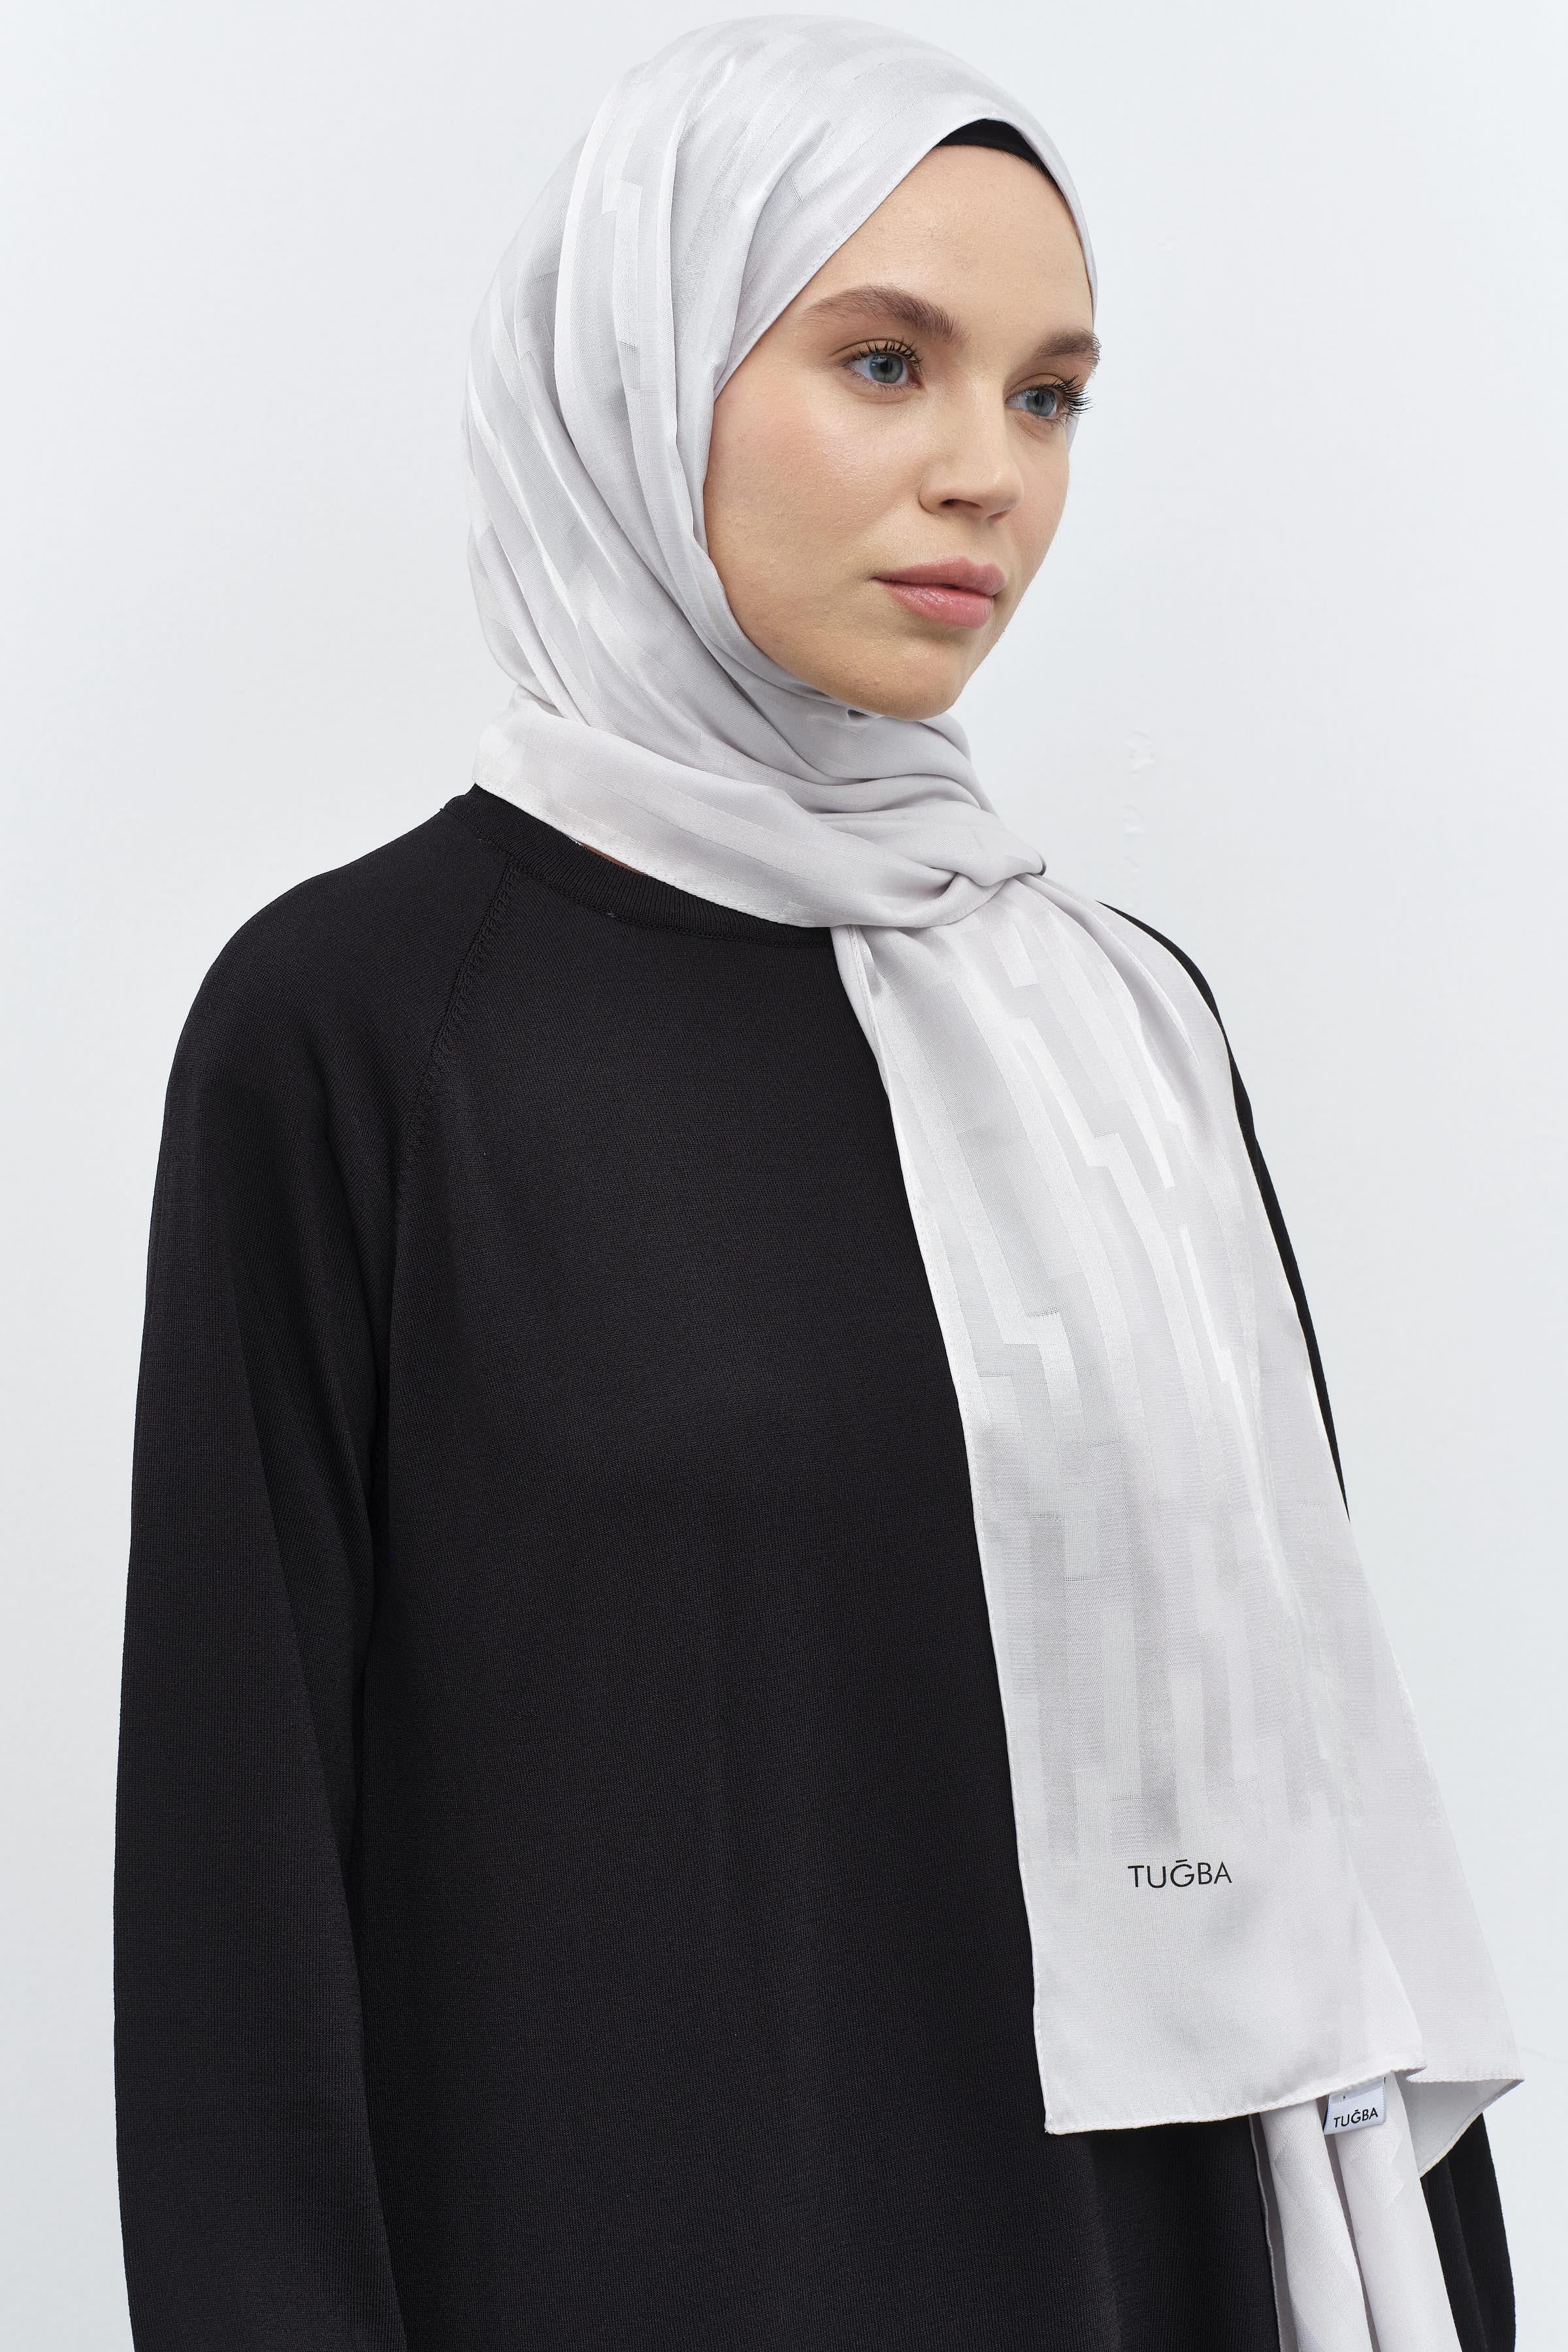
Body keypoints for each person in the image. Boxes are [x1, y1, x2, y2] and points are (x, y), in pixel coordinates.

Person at [114, 18, 1519, 2350]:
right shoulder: (360, 1031)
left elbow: (1333, 1847)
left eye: (1049, 397)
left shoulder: (1122, 1031)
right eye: (885, 361)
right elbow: (237, 1957)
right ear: (641, 369)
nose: (987, 473)